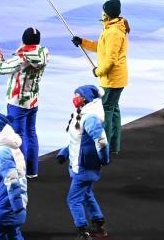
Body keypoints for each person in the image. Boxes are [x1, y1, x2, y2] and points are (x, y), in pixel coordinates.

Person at [0, 28, 49, 178]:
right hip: (33, 101)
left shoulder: (22, 58)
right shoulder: (43, 53)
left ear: (24, 40)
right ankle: (32, 171)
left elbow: (0, 68)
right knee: (31, 134)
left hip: (17, 103)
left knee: (17, 137)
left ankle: (20, 172)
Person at [73, 0, 130, 154]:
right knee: (114, 109)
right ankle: (114, 146)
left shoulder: (113, 32)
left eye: (103, 11)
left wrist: (98, 71)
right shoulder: (113, 28)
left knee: (106, 113)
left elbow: (110, 60)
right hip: (117, 78)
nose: (102, 13)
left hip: (111, 80)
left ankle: (105, 147)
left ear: (108, 13)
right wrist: (82, 42)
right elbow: (101, 47)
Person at [56, 85, 110, 240]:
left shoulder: (90, 118)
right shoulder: (81, 113)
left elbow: (101, 141)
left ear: (86, 98)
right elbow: (77, 140)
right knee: (86, 194)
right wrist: (64, 153)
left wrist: (104, 158)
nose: (74, 98)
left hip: (85, 167)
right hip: (80, 164)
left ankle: (83, 231)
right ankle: (98, 225)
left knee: (73, 199)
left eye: (77, 95)